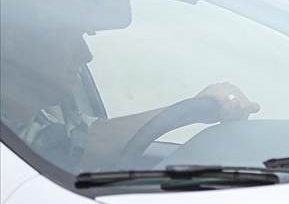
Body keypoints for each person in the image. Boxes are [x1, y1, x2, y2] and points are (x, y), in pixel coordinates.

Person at [0, 22, 259, 172]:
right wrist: (188, 111)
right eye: (68, 35)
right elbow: (76, 145)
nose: (86, 54)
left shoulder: (45, 120)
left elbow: (84, 135)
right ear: (12, 40)